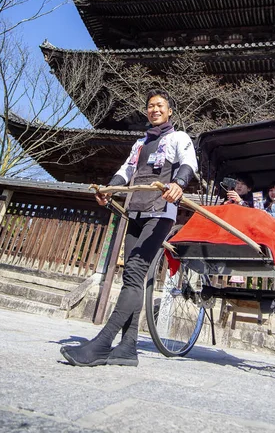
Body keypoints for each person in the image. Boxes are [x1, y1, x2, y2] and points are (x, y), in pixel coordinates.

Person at [60, 89, 197, 368]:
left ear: (170, 111)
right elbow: (125, 170)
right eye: (150, 106)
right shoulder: (139, 144)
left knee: (135, 273)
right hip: (135, 211)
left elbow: (189, 164)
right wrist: (108, 189)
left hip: (160, 213)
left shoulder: (178, 138)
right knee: (131, 278)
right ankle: (128, 347)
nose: (154, 109)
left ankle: (102, 342)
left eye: (160, 105)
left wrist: (178, 184)